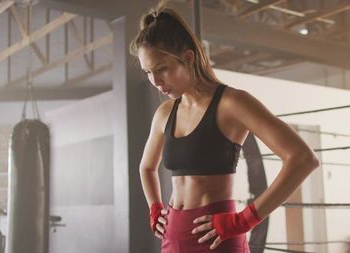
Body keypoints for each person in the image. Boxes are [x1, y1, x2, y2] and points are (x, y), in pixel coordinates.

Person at [130, 3, 320, 253]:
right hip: (173, 236)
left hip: (218, 237)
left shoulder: (232, 103)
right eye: (148, 72)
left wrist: (244, 220)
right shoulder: (165, 113)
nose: (155, 81)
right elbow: (146, 167)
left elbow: (303, 159)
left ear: (188, 58)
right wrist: (155, 207)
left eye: (162, 69)